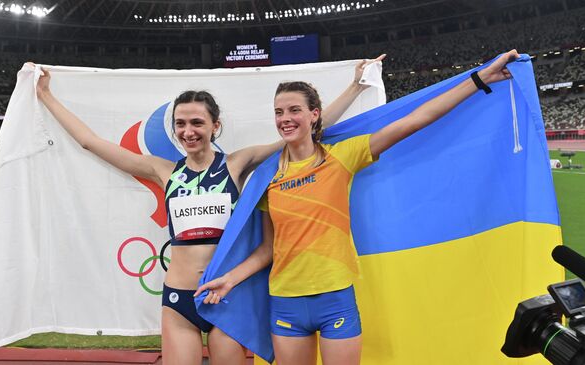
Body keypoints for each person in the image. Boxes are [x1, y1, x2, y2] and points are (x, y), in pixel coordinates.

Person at [32, 55, 384, 365]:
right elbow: (90, 142)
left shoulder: (237, 163)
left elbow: (302, 130)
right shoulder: (163, 170)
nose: (188, 131)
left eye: (197, 123)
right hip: (178, 300)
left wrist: (355, 87)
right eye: (181, 124)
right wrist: (45, 95)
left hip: (226, 298)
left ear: (215, 126)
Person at [194, 50, 520, 365]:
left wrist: (479, 78)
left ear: (314, 115)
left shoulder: (341, 157)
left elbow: (416, 120)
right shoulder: (269, 176)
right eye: (279, 112)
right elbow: (268, 248)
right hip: (286, 301)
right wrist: (230, 279)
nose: (285, 119)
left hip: (335, 299)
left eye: (294, 110)